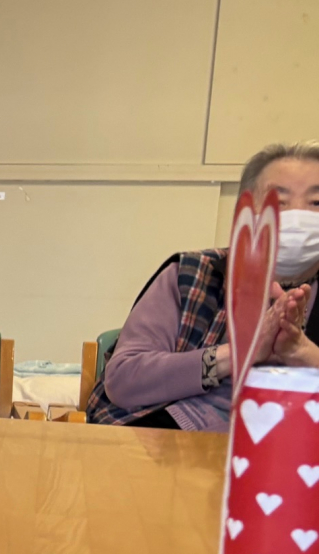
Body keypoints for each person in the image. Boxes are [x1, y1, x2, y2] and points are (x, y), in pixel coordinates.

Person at [91, 141, 319, 429]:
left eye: (316, 203)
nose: (297, 215)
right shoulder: (192, 274)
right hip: (167, 439)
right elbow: (123, 381)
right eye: (278, 202)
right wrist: (237, 354)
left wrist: (303, 353)